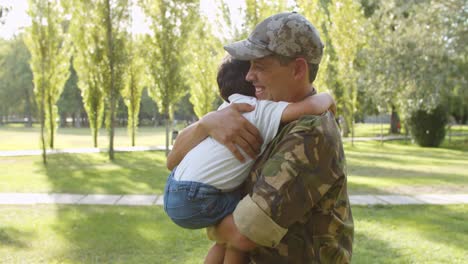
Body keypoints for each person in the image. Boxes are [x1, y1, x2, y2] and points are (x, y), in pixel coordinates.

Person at [168, 12, 354, 263]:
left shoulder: (309, 131)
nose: (248, 76)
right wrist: (205, 125)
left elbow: (243, 233)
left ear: (298, 69)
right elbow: (172, 160)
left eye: (260, 66)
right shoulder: (264, 114)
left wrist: (205, 217)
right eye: (249, 65)